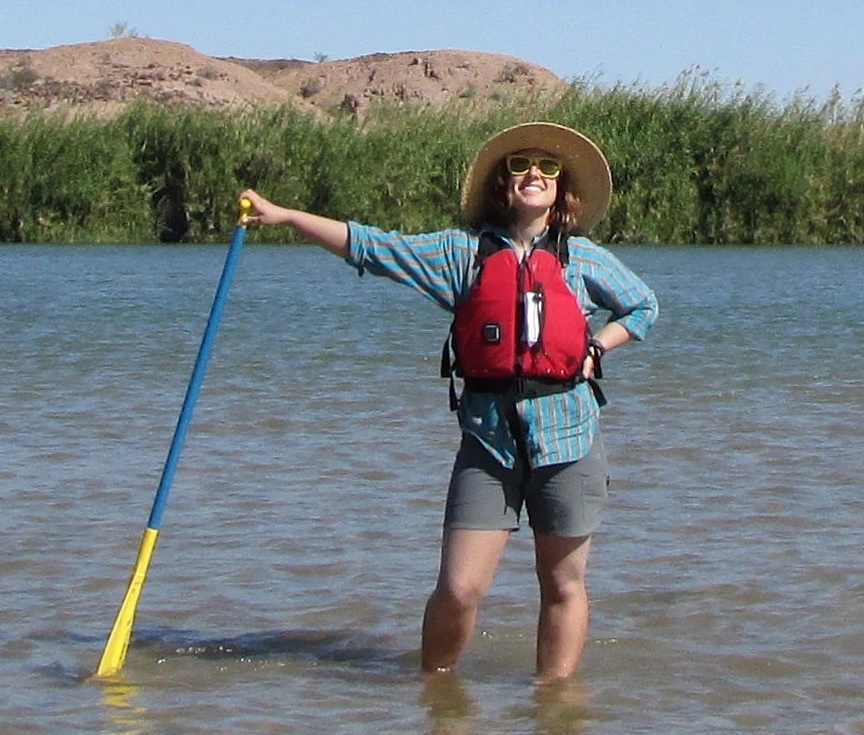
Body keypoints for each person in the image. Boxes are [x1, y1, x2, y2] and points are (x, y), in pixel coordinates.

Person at [237, 122, 658, 682]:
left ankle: (554, 711)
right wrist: (287, 216)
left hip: (571, 441)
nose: (534, 174)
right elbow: (372, 246)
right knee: (459, 589)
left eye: (547, 168)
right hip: (488, 443)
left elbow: (642, 307)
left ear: (562, 192)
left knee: (563, 584)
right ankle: (436, 696)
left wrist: (595, 348)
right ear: (501, 186)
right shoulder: (460, 255)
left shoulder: (585, 260)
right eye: (519, 166)